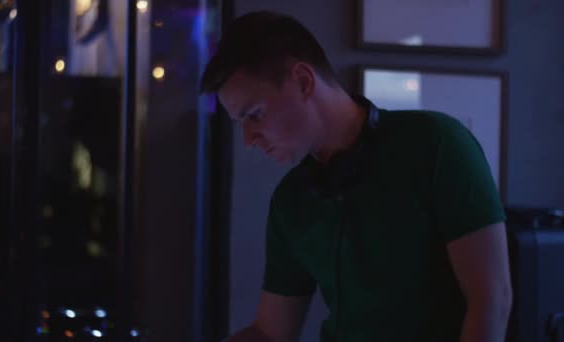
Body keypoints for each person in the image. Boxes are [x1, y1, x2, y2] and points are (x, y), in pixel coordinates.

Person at [200, 11, 512, 342]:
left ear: (303, 81)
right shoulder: (291, 201)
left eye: (255, 115)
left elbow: (491, 299)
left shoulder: (436, 145)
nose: (248, 139)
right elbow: (269, 333)